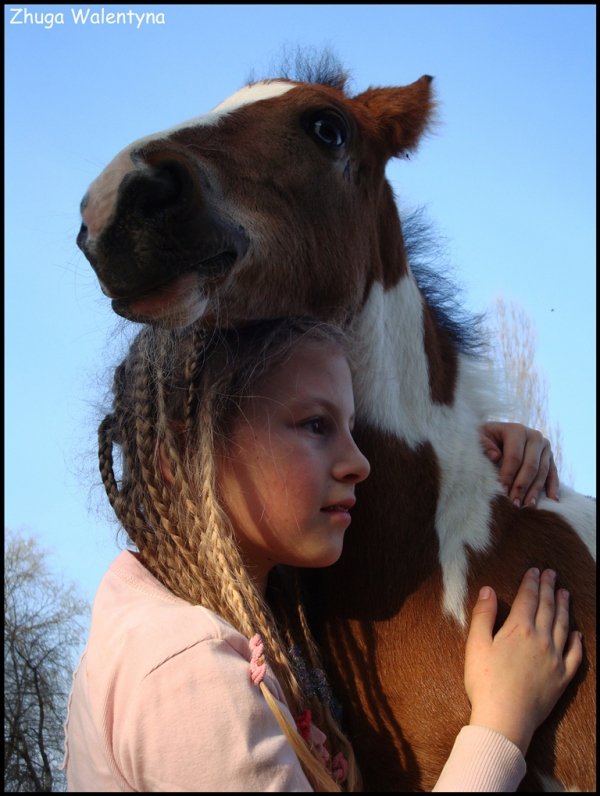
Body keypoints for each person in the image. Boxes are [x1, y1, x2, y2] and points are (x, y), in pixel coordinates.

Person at [63, 317, 580, 792]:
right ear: (182, 457)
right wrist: (502, 722)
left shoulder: (256, 619)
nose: (359, 463)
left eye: (352, 428)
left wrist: (468, 457)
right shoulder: (183, 674)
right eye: (316, 425)